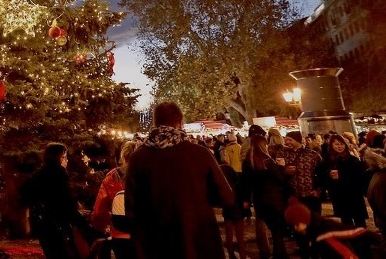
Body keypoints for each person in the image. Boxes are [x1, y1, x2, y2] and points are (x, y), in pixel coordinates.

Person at [124, 101, 234, 259]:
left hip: (157, 243)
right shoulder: (200, 154)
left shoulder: (138, 158)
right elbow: (226, 197)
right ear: (180, 122)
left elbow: (131, 209)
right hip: (199, 241)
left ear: (155, 123)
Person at [20, 143, 93, 259]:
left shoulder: (39, 173)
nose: (67, 161)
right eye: (65, 157)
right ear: (59, 157)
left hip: (43, 225)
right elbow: (66, 203)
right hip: (58, 225)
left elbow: (25, 195)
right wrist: (83, 224)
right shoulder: (59, 173)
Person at [242, 134, 292, 259]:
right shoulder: (267, 161)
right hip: (274, 198)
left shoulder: (248, 162)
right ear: (263, 145)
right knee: (277, 229)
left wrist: (246, 199)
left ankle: (274, 253)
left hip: (259, 199)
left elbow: (246, 183)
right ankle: (280, 254)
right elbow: (279, 179)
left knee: (270, 226)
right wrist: (281, 167)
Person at [92, 141, 137, 259]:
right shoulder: (148, 175)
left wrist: (103, 228)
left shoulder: (112, 177)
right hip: (144, 236)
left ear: (123, 156)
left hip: (119, 235)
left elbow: (99, 211)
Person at [316, 133, 369, 227]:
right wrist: (329, 176)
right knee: (346, 221)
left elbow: (360, 177)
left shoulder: (352, 159)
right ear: (331, 145)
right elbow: (321, 176)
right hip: (339, 195)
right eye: (336, 144)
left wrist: (342, 176)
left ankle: (363, 240)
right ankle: (351, 240)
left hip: (354, 195)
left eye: (342, 144)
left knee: (359, 221)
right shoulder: (328, 161)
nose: (340, 146)